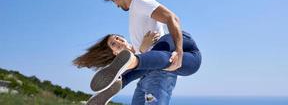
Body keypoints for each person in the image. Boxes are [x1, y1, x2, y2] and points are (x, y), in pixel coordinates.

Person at [73, 31, 201, 105]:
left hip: (176, 46)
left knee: (144, 66)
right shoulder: (125, 62)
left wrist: (143, 48)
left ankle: (123, 78)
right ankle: (117, 83)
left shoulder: (137, 36)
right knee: (141, 73)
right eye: (114, 44)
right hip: (150, 74)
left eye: (117, 38)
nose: (118, 41)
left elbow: (164, 26)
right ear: (115, 54)